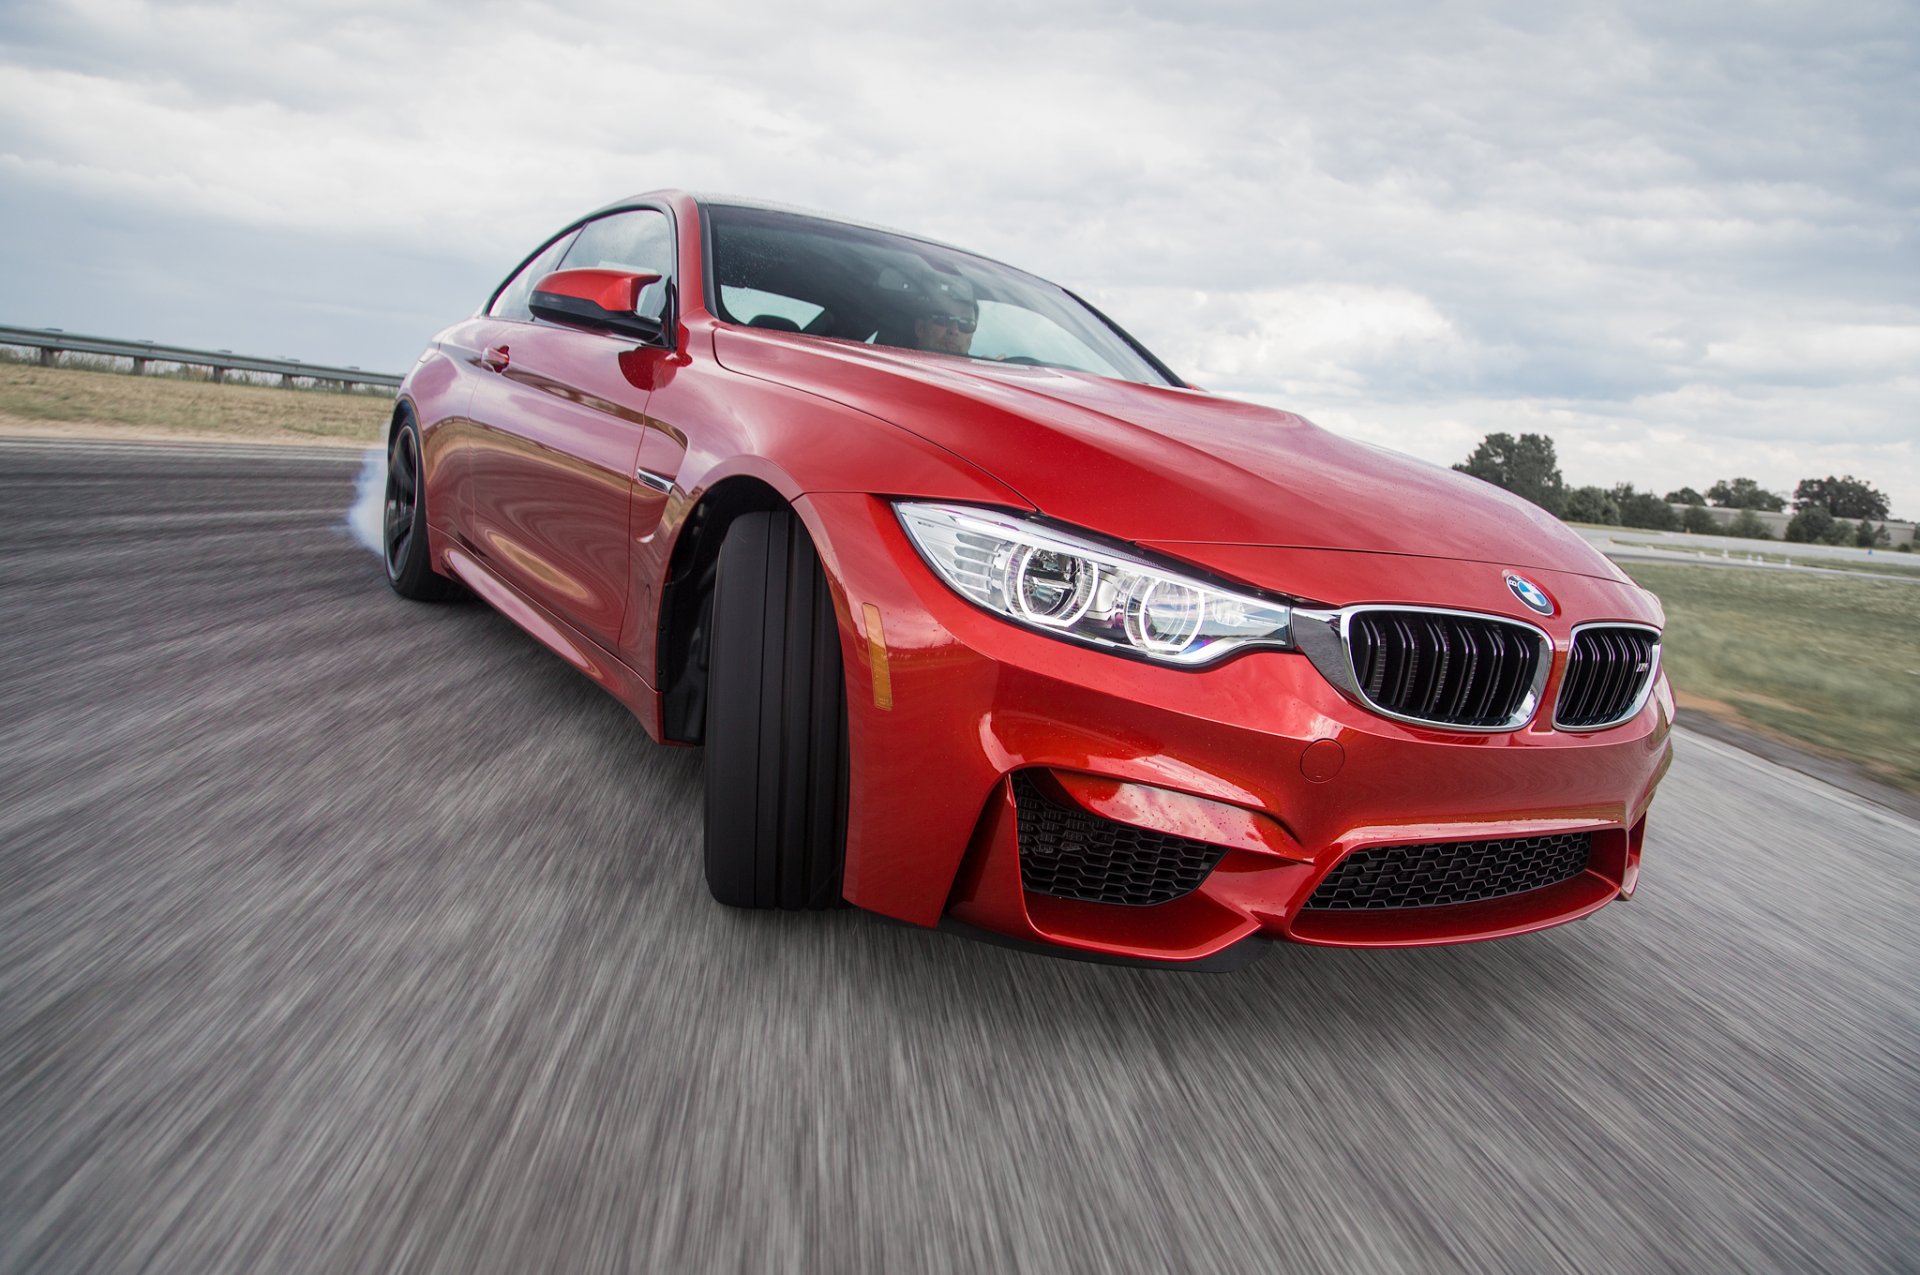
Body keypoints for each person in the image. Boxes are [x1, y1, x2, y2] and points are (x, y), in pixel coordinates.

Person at [912, 279, 978, 356]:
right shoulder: (896, 363)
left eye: (966, 324)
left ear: (972, 336)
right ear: (920, 328)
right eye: (945, 319)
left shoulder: (988, 366)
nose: (954, 330)